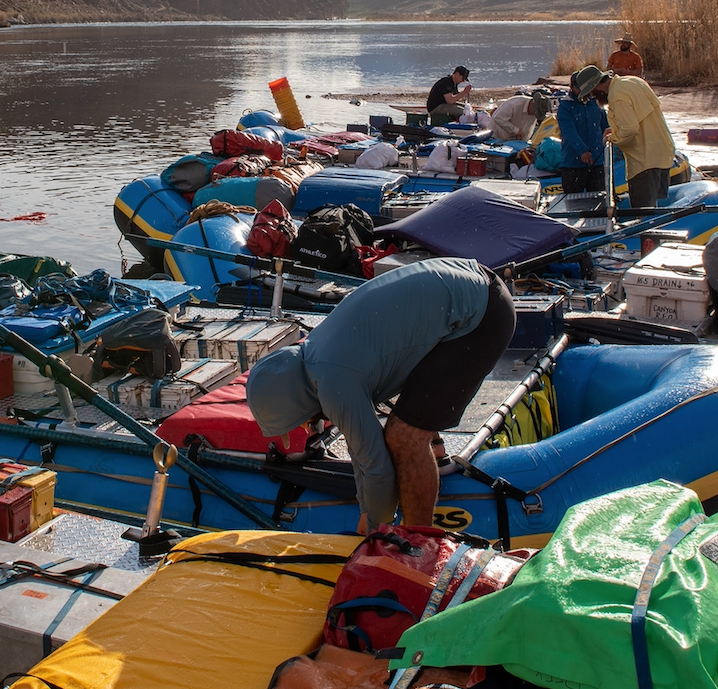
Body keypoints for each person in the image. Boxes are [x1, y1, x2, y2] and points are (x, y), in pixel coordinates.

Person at [246, 257, 515, 532]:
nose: (308, 426)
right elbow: (360, 450)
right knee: (402, 425)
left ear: (294, 402)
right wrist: (368, 509)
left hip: (480, 315)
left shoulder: (332, 379)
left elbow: (376, 467)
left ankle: (417, 543)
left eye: (299, 422)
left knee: (402, 438)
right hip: (474, 281)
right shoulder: (317, 352)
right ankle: (434, 453)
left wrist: (375, 528)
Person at [570, 64, 675, 213]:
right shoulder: (632, 81)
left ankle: (645, 235)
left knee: (642, 211)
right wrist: (616, 129)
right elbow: (638, 118)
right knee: (652, 207)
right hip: (661, 153)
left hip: (644, 161)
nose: (593, 97)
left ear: (597, 87)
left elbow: (630, 129)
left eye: (592, 93)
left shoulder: (616, 94)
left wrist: (613, 138)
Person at [554, 83, 608, 195]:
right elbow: (569, 132)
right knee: (572, 199)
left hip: (597, 160)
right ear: (572, 87)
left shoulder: (596, 103)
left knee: (599, 198)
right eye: (579, 89)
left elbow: (605, 127)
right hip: (573, 163)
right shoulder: (565, 106)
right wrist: (582, 150)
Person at [487, 89, 551, 142]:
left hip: (514, 141)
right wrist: (516, 130)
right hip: (497, 136)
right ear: (532, 105)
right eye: (536, 112)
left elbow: (528, 130)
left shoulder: (534, 114)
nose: (534, 115)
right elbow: (498, 118)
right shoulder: (515, 104)